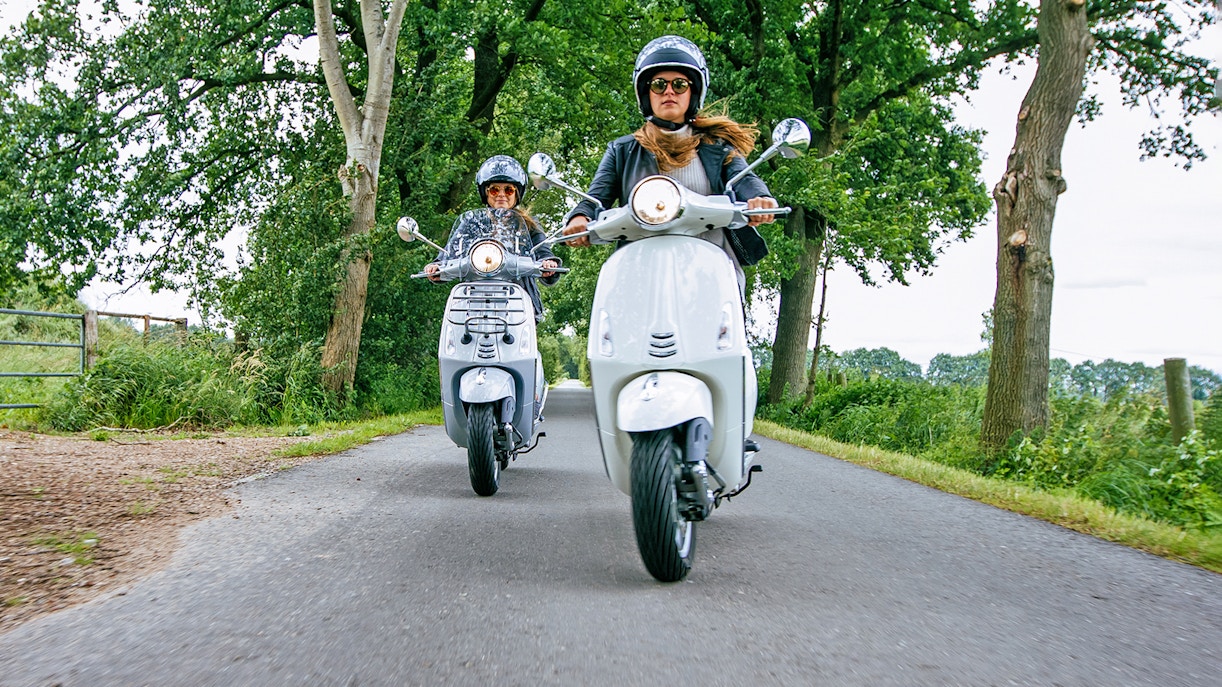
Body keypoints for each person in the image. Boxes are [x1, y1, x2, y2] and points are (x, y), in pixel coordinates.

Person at [562, 35, 778, 295]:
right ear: (646, 93)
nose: (668, 92)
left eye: (679, 84)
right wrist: (579, 217)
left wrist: (759, 199)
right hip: (640, 278)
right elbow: (596, 198)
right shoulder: (622, 151)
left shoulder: (718, 147)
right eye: (658, 85)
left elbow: (744, 179)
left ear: (693, 92)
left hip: (711, 277)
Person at [426, 155, 562, 323]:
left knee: (526, 348)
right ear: (486, 193)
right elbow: (451, 251)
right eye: (494, 190)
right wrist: (438, 265)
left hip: (517, 304)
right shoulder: (472, 223)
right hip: (473, 303)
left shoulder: (528, 225)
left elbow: (543, 251)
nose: (501, 195)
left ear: (517, 193)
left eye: (509, 190)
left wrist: (548, 263)